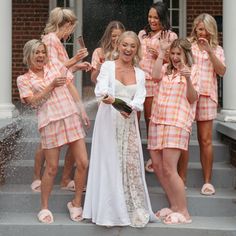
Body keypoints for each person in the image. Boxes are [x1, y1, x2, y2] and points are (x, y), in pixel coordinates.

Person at [83, 31, 158, 227]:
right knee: (110, 163)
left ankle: (128, 206)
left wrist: (129, 108)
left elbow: (140, 99)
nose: (128, 49)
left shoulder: (140, 74)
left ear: (136, 49)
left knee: (129, 164)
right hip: (108, 123)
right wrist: (115, 103)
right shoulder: (107, 66)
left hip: (128, 124)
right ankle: (109, 212)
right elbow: (100, 91)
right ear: (118, 46)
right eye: (125, 45)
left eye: (132, 46)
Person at [17, 39, 88, 223]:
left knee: (83, 163)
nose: (41, 56)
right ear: (28, 56)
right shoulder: (23, 80)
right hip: (49, 123)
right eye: (36, 53)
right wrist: (51, 86)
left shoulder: (54, 65)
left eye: (43, 52)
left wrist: (81, 109)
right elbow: (32, 101)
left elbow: (70, 83)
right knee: (52, 168)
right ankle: (44, 208)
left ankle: (76, 203)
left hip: (70, 116)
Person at [30, 7, 91, 192]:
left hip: (63, 94)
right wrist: (74, 60)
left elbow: (62, 70)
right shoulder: (49, 40)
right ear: (65, 25)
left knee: (74, 137)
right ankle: (37, 177)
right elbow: (51, 70)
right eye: (72, 28)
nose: (72, 32)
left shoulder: (56, 41)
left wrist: (77, 66)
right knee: (46, 141)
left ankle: (65, 179)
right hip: (51, 96)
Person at [148, 35, 200, 224]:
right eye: (173, 53)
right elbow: (153, 77)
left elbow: (193, 98)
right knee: (158, 165)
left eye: (179, 53)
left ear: (186, 54)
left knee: (170, 168)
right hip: (157, 120)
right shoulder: (164, 69)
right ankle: (174, 206)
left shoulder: (192, 72)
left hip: (176, 122)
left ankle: (184, 212)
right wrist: (162, 52)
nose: (176, 57)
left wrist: (188, 79)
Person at [178, 13, 226, 194]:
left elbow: (221, 71)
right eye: (199, 29)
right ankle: (181, 179)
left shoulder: (217, 49)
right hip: (187, 94)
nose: (202, 33)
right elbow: (177, 63)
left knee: (205, 140)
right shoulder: (188, 45)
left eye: (205, 29)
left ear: (211, 30)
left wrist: (210, 52)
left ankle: (207, 181)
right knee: (183, 138)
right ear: (195, 29)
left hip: (207, 96)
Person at [138, 2, 177, 173]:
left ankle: (153, 157)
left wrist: (161, 56)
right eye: (150, 17)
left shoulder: (170, 36)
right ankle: (137, 155)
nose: (152, 20)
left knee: (151, 120)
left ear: (163, 18)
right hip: (139, 80)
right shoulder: (142, 34)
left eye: (156, 17)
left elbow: (176, 61)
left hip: (156, 82)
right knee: (134, 119)